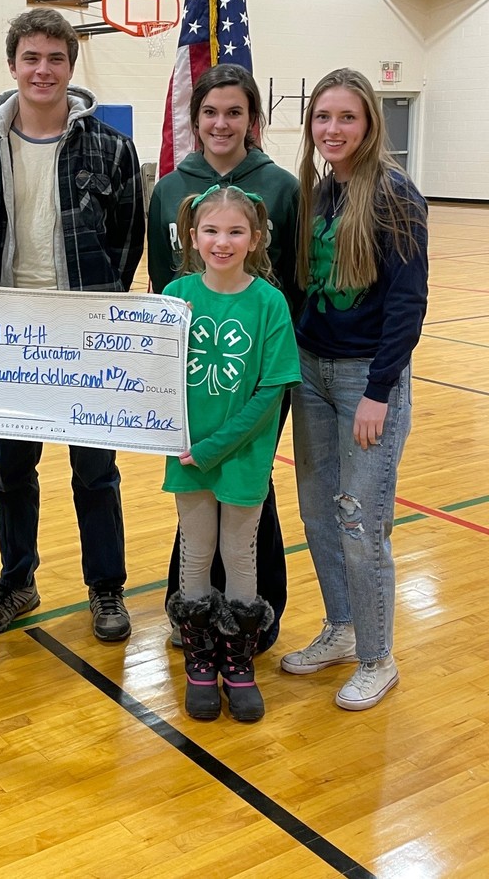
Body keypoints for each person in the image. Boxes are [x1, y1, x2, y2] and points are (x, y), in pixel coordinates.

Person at [0, 7, 145, 641]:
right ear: (12, 66)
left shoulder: (112, 149)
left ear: (71, 66)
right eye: (30, 58)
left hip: (85, 337)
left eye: (55, 59)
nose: (43, 70)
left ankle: (107, 589)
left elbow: (126, 243)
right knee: (13, 474)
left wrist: (94, 309)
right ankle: (18, 580)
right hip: (8, 339)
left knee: (96, 472)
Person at [280, 68, 428, 711]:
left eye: (347, 118)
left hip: (367, 379)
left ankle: (378, 656)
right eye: (322, 118)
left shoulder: (393, 193)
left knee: (361, 522)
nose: (332, 130)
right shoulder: (318, 191)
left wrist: (379, 390)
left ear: (369, 125)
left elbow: (408, 300)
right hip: (312, 371)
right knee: (317, 511)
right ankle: (342, 628)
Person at [148, 64, 301, 652]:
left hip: (256, 368)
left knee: (247, 493)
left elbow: (292, 281)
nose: (221, 122)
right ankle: (192, 617)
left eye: (234, 112)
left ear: (252, 120)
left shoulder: (282, 187)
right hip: (192, 383)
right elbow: (165, 289)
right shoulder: (168, 187)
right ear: (195, 119)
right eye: (210, 111)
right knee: (196, 507)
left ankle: (255, 619)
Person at [163, 186, 300, 721]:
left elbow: (271, 392)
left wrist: (215, 446)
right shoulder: (176, 294)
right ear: (192, 237)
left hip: (240, 458)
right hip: (186, 455)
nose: (223, 242)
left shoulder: (269, 302)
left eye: (235, 232)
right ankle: (200, 660)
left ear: (256, 238)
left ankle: (237, 662)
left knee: (240, 556)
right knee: (195, 553)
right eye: (211, 231)